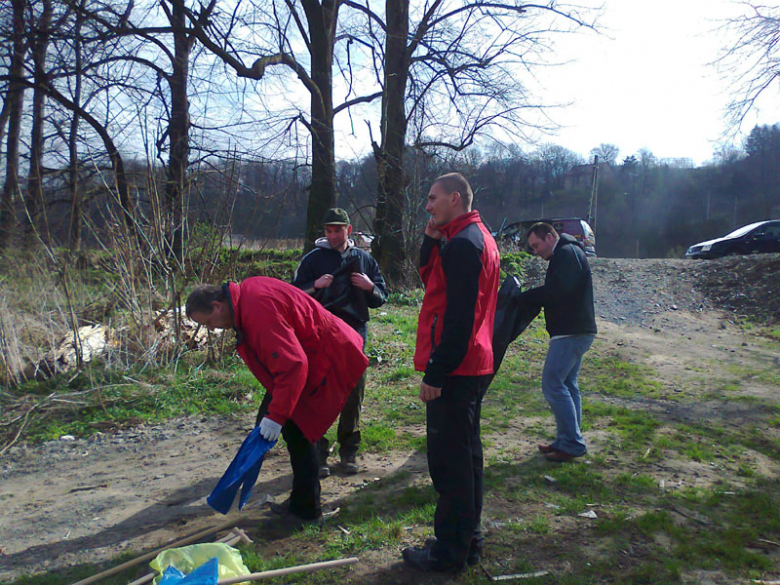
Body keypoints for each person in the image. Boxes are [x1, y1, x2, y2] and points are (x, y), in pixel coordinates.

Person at [185, 277, 368, 523]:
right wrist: (272, 415)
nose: (213, 328)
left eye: (208, 322)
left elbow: (293, 365)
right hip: (313, 353)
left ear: (217, 306)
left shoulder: (256, 310)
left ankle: (307, 512)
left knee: (298, 429)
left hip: (328, 354)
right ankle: (301, 501)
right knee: (287, 426)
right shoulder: (246, 296)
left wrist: (276, 417)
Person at [402, 173, 500, 573]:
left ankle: (449, 551)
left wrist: (435, 375)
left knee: (449, 464)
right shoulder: (472, 237)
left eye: (432, 198)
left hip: (457, 368)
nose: (427, 206)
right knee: (467, 458)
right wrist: (429, 238)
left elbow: (459, 319)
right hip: (473, 362)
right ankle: (468, 539)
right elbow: (432, 282)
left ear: (454, 198)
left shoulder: (463, 244)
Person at [292, 207, 388, 477]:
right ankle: (319, 453)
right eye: (328, 230)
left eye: (338, 229)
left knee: (353, 391)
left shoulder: (364, 259)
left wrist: (370, 287)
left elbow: (382, 295)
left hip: (356, 332)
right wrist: (315, 286)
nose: (333, 235)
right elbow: (294, 294)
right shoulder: (312, 260)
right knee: (320, 391)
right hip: (320, 332)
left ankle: (349, 451)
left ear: (349, 229)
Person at [520, 222, 597, 463]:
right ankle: (568, 439)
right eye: (532, 248)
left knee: (552, 383)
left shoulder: (566, 254)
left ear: (551, 236)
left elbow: (558, 291)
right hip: (574, 330)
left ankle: (572, 442)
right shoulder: (568, 253)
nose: (536, 252)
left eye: (537, 245)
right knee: (567, 384)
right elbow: (558, 290)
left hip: (571, 331)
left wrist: (524, 298)